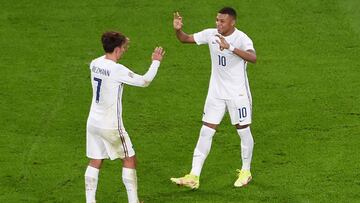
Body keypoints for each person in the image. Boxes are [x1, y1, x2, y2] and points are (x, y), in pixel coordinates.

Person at [170, 7, 257, 189]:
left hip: (237, 94)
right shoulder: (211, 34)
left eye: (222, 21)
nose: (218, 24)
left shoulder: (241, 38)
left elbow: (253, 57)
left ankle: (246, 171)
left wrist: (230, 47)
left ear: (232, 22)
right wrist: (178, 30)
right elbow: (185, 39)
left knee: (242, 130)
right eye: (217, 20)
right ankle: (194, 175)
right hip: (216, 93)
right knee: (206, 131)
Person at [85, 31, 165, 203]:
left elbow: (104, 66)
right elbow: (145, 81)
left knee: (95, 160)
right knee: (129, 159)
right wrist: (156, 62)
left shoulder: (94, 63)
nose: (124, 50)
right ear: (116, 49)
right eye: (123, 47)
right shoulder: (117, 70)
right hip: (110, 125)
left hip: (93, 122)